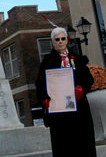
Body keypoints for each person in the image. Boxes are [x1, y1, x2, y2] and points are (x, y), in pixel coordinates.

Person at [36, 26, 96, 157]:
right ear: (53, 42)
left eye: (63, 39)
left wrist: (82, 88)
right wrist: (44, 99)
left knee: (82, 142)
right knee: (62, 143)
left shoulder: (78, 59)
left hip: (79, 109)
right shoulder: (47, 62)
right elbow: (40, 83)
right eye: (57, 39)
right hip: (59, 111)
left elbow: (89, 80)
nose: (60, 42)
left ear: (67, 40)